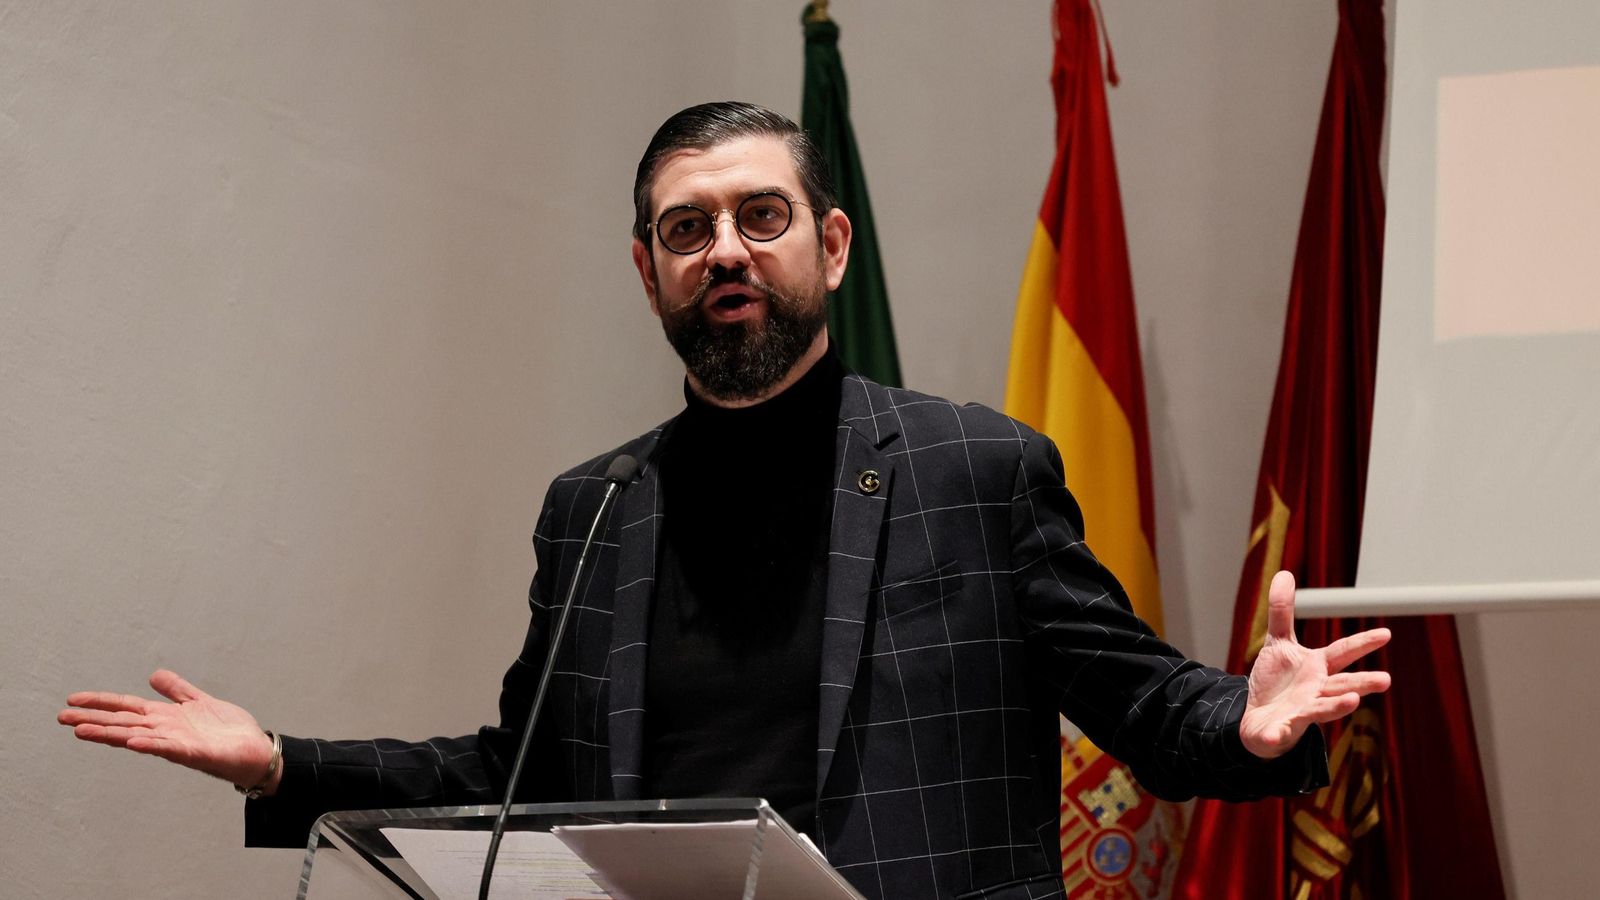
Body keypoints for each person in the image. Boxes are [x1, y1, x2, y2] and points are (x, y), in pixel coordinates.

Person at [60, 101, 1391, 899]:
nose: (726, 252)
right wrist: (286, 763)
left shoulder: (975, 472)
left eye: (761, 215)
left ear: (832, 241)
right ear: (648, 273)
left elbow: (1148, 709)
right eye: (687, 230)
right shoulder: (594, 512)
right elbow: (518, 774)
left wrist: (1252, 717)